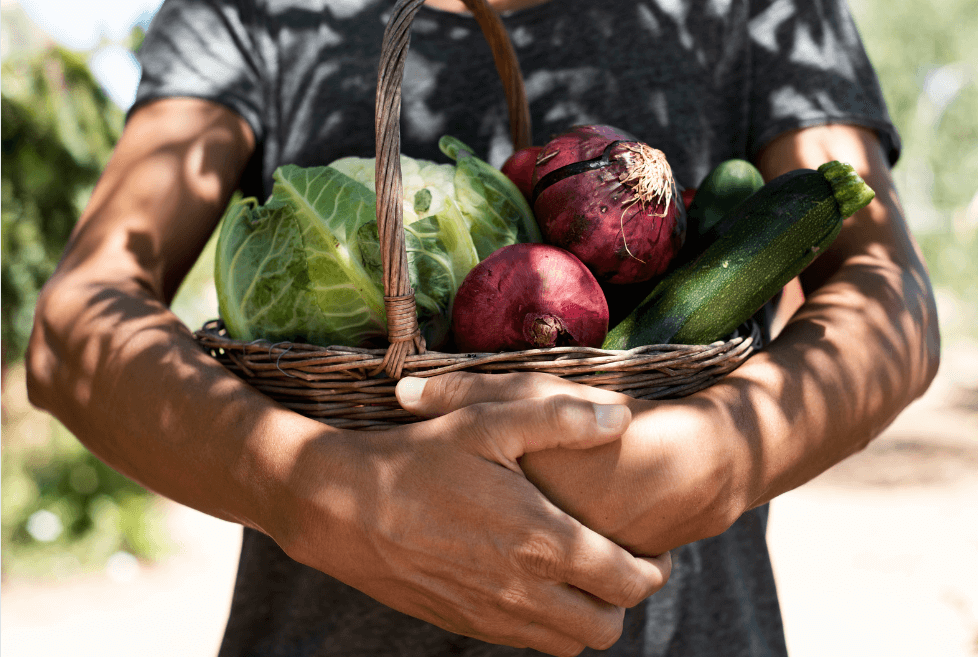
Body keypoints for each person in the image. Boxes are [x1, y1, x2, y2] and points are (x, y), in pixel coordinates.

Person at [25, 0, 939, 655]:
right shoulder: (253, 12)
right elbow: (77, 324)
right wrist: (321, 495)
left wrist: (709, 461)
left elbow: (885, 289)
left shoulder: (758, 12)